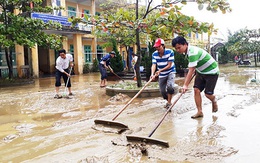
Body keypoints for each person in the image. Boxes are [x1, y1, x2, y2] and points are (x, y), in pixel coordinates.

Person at [171, 36, 219, 119]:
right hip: (200, 71)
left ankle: (214, 100)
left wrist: (185, 85)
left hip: (211, 72)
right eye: (176, 48)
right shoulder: (187, 52)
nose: (178, 50)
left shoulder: (193, 52)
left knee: (208, 94)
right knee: (196, 90)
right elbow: (194, 67)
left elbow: (191, 70)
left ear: (185, 44)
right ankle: (199, 111)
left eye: (179, 47)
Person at [150, 38, 176, 109]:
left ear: (163, 46)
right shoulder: (154, 54)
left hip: (170, 71)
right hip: (162, 74)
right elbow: (154, 64)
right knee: (162, 91)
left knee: (170, 87)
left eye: (159, 46)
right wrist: (152, 74)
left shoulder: (170, 52)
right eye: (156, 47)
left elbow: (169, 65)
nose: (157, 48)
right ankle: (168, 101)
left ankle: (169, 103)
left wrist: (160, 70)